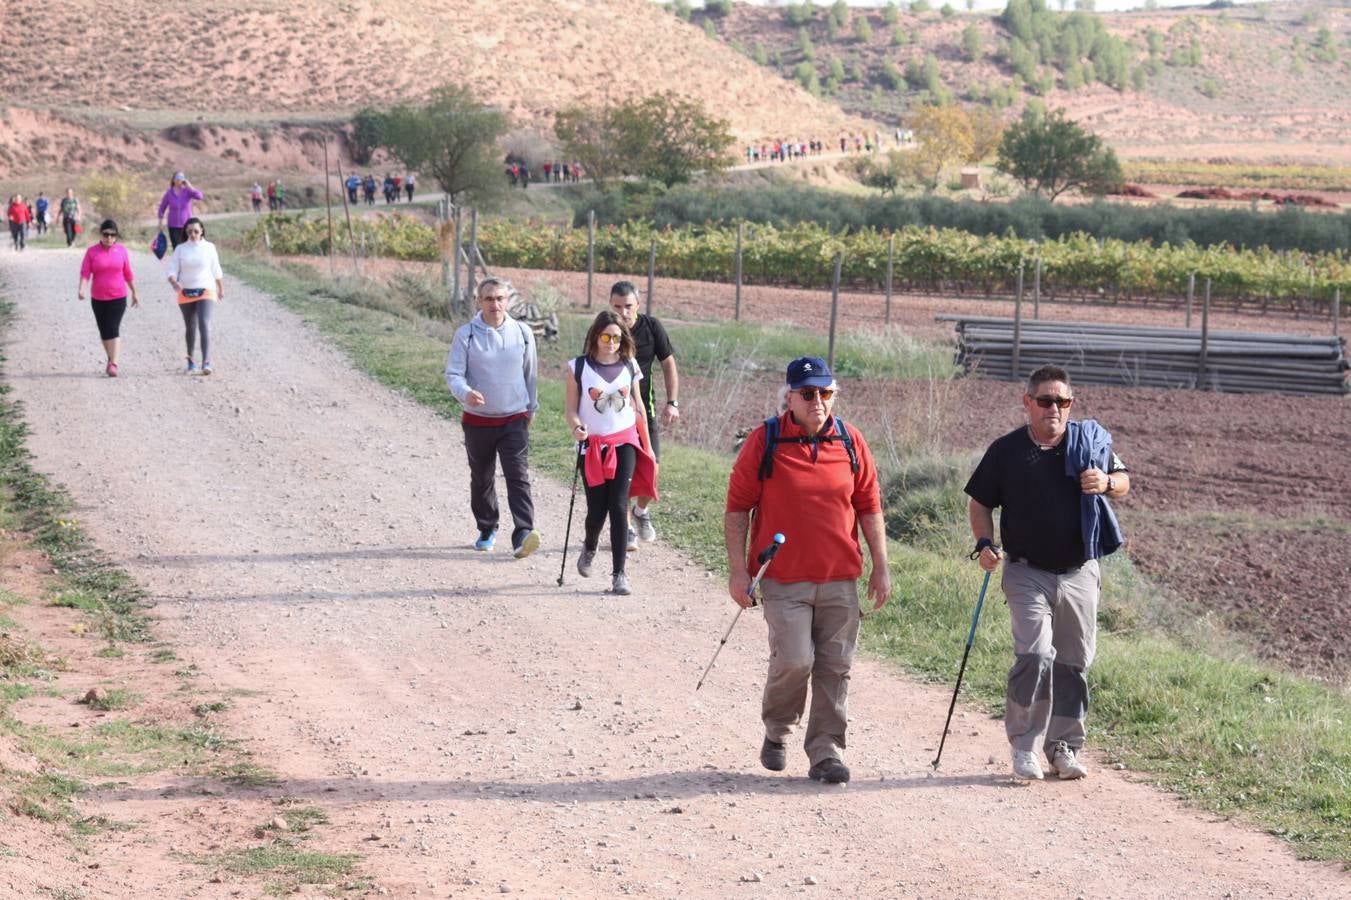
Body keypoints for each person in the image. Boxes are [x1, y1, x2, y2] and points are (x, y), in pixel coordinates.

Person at [724, 357, 890, 785]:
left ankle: (825, 751)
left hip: (840, 578)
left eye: (826, 393)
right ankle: (777, 730)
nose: (819, 402)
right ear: (790, 396)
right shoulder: (767, 439)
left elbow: (869, 506)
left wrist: (880, 567)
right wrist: (738, 571)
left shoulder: (850, 441)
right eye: (809, 394)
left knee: (836, 666)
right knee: (795, 660)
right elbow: (738, 508)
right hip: (783, 579)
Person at [964, 364, 1130, 782]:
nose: (1054, 408)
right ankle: (1024, 747)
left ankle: (1064, 748)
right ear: (1028, 403)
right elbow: (980, 503)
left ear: (1071, 405)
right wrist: (985, 545)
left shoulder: (1088, 444)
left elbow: (1124, 480)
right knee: (1035, 656)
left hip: (1079, 571)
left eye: (1063, 401)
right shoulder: (1006, 451)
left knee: (1073, 663)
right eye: (1045, 400)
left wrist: (1107, 482)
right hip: (1025, 571)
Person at [444, 278, 541, 559]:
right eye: (488, 299)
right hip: (478, 420)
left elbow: (530, 375)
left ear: (508, 300)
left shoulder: (522, 333)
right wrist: (466, 393)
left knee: (518, 476)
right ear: (479, 301)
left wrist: (530, 410)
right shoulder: (466, 335)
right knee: (482, 477)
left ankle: (523, 533)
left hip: (514, 418)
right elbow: (453, 374)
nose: (494, 304)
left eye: (500, 298)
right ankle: (487, 528)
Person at [564, 311, 657, 597]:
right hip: (591, 446)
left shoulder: (630, 366)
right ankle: (590, 545)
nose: (611, 343)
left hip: (625, 442)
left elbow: (638, 407)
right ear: (595, 336)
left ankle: (619, 575)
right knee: (597, 510)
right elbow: (570, 409)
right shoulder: (578, 367)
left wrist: (648, 447)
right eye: (605, 336)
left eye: (616, 337)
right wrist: (577, 428)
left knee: (619, 506)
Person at [607, 282, 679, 549]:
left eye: (628, 306)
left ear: (638, 304)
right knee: (622, 473)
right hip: (612, 415)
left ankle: (640, 511)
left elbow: (668, 364)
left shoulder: (652, 327)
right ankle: (625, 528)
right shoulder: (605, 330)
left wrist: (673, 402)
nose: (623, 312)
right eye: (617, 306)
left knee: (653, 467)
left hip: (643, 411)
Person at [77, 219, 139, 377]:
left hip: (118, 296)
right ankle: (111, 359)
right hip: (98, 298)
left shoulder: (122, 251)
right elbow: (85, 272)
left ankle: (114, 364)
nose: (109, 238)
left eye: (113, 235)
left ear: (116, 236)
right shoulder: (92, 252)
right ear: (101, 234)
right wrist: (81, 289)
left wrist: (134, 292)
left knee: (113, 328)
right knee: (104, 331)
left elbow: (128, 273)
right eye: (106, 234)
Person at [165, 217, 224, 375]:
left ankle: (206, 362)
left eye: (196, 231)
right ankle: (191, 361)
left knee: (204, 323)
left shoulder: (210, 247)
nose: (193, 234)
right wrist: (174, 282)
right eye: (189, 231)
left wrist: (221, 288)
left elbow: (216, 269)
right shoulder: (180, 249)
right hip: (186, 291)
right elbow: (171, 270)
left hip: (206, 289)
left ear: (202, 231)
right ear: (186, 232)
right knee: (190, 327)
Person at [157, 172, 204, 249]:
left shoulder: (188, 191)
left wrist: (190, 186)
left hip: (187, 226)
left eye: (182, 177)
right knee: (177, 248)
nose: (180, 180)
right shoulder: (169, 193)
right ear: (173, 180)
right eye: (177, 178)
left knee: (188, 248)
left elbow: (200, 196)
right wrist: (160, 222)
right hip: (173, 226)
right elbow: (162, 208)